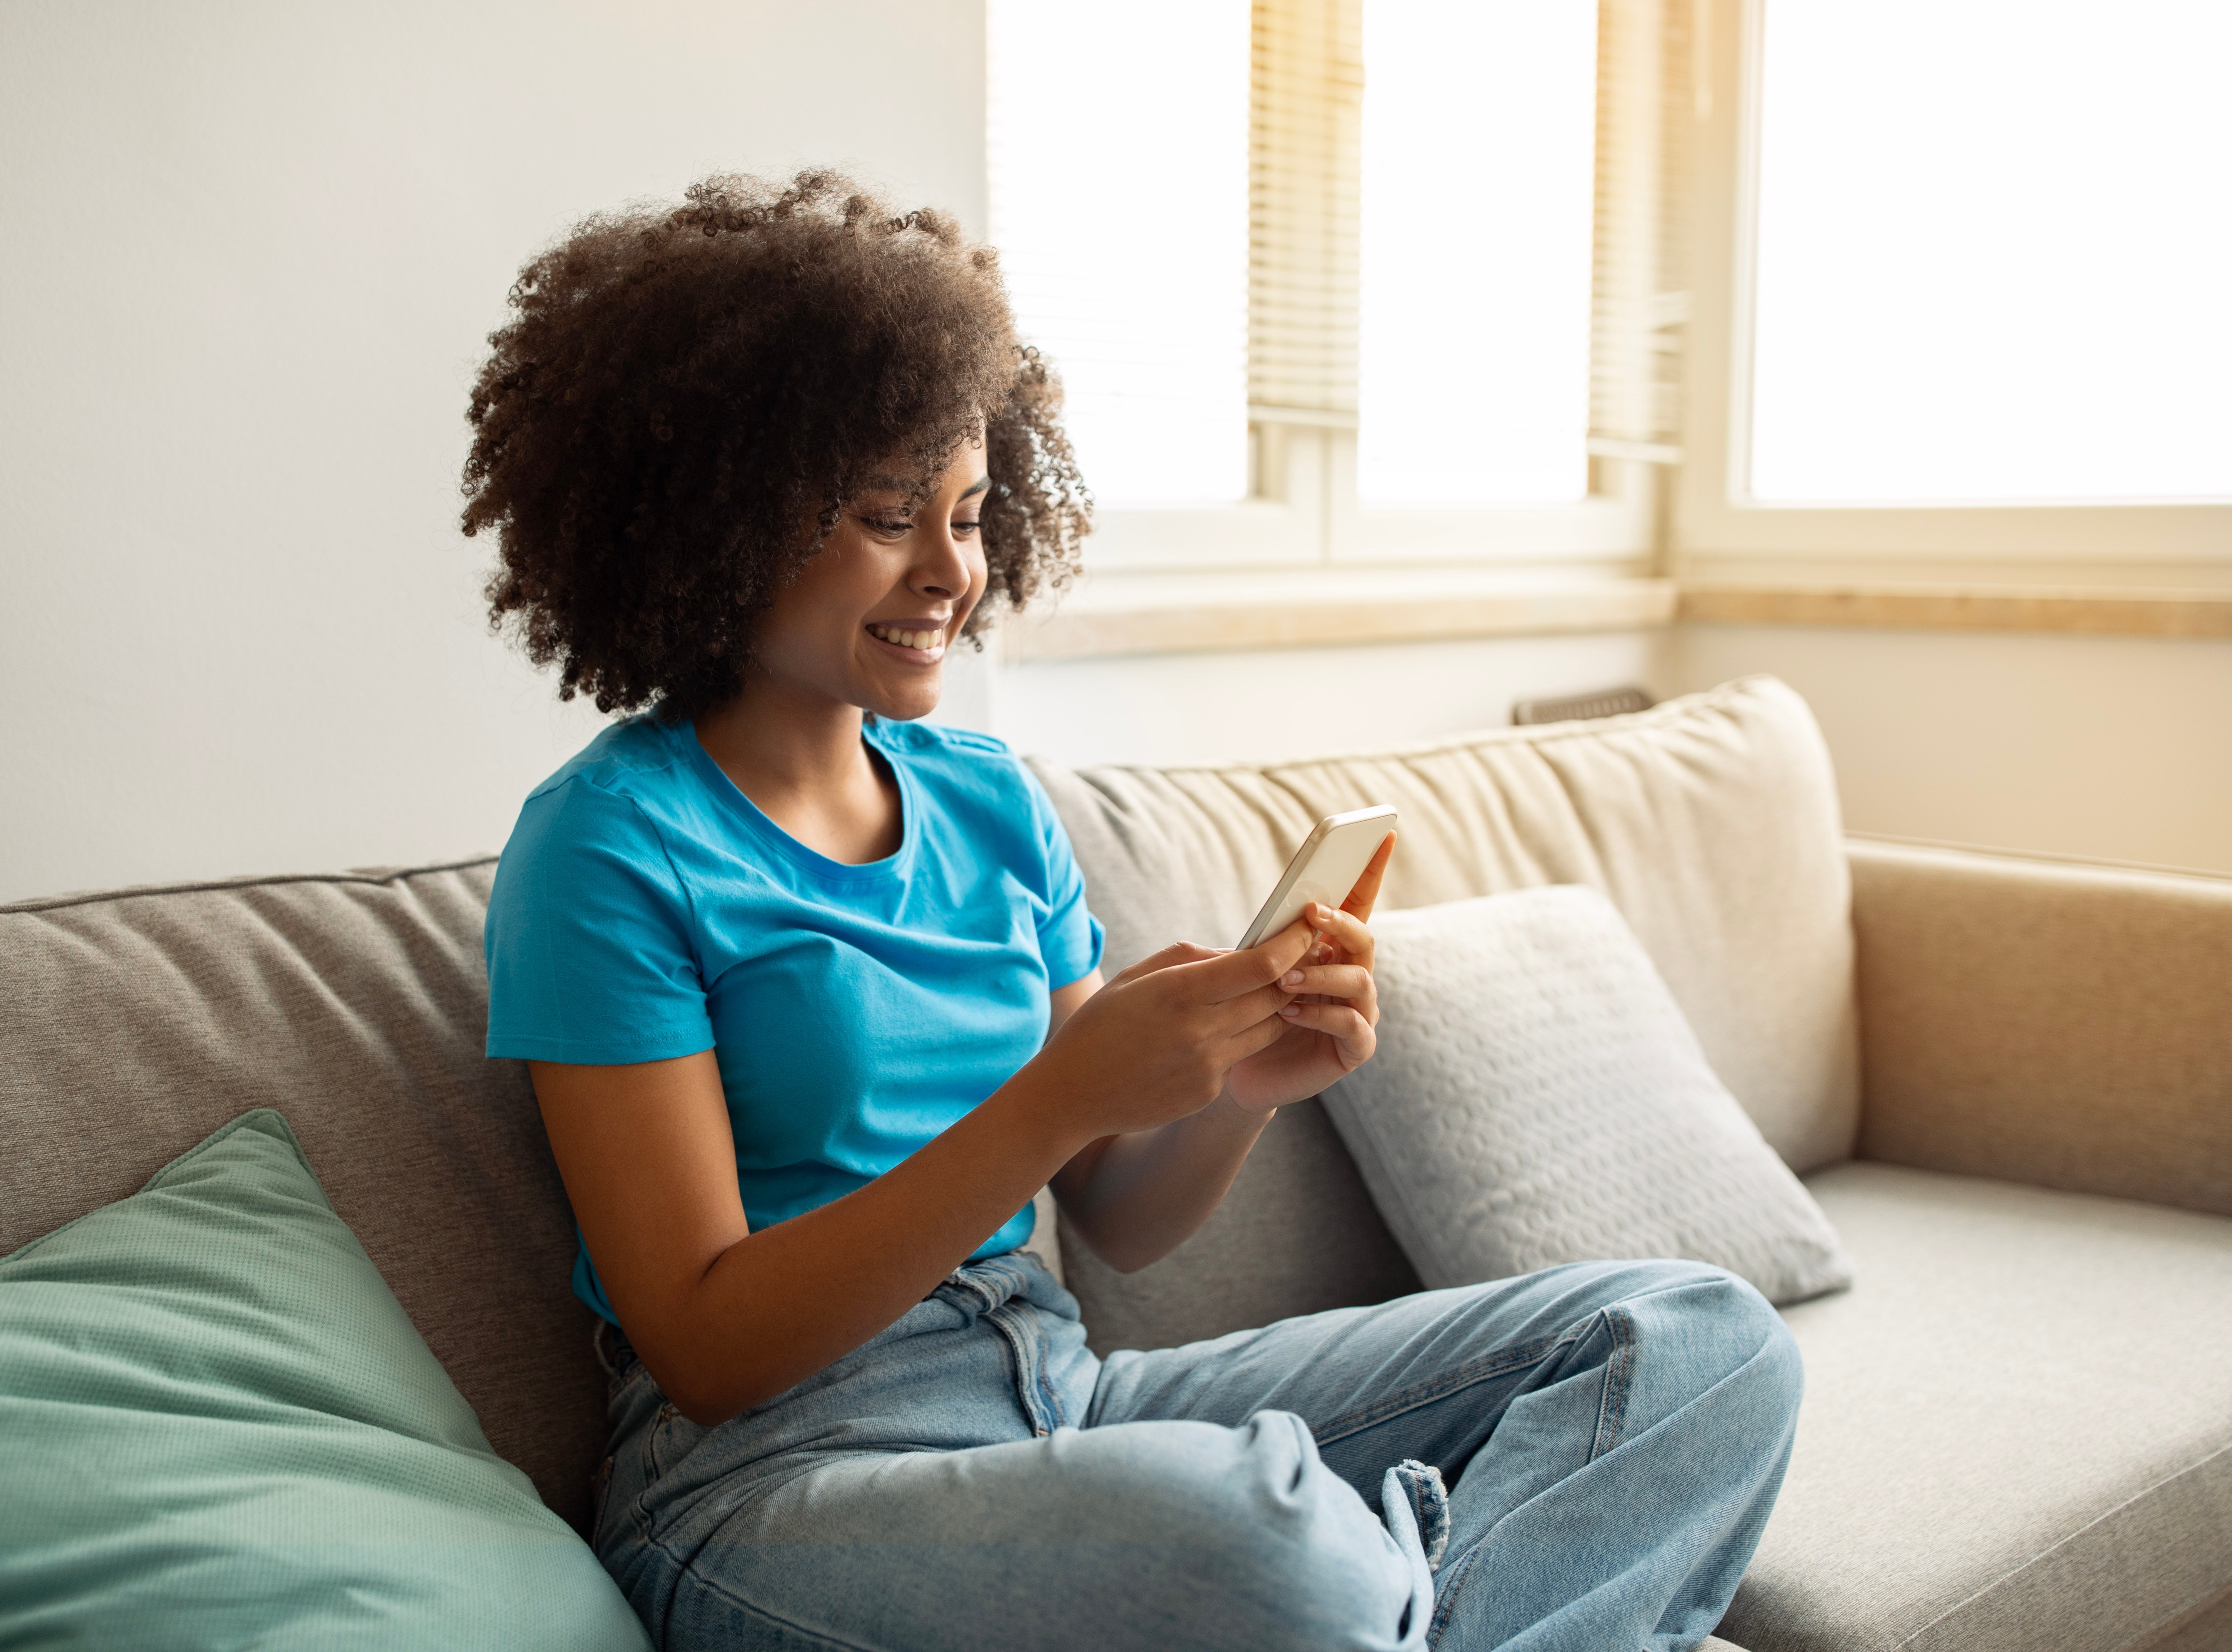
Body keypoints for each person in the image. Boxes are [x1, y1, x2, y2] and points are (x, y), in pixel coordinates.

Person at [467, 171, 1801, 1652]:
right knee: (1271, 1550)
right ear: (717, 516)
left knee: (1697, 1337)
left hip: (1061, 1397)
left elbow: (1113, 1217)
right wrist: (1048, 1105)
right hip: (774, 1477)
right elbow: (711, 1345)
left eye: (971, 515)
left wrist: (1236, 1089)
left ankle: (1397, 1607)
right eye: (886, 516)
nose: (949, 572)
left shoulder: (985, 800)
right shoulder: (606, 846)